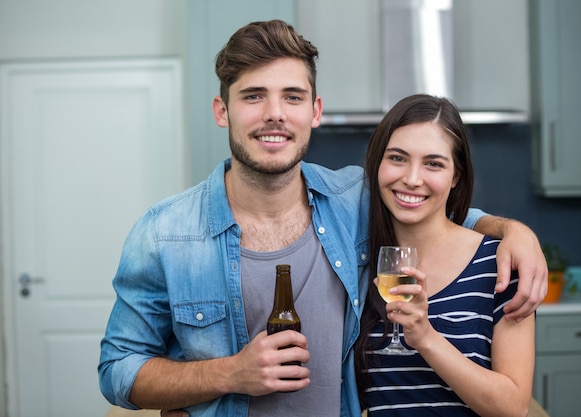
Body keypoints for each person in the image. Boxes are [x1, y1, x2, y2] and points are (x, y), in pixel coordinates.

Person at [98, 20, 545, 417]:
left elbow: (438, 215)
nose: (275, 113)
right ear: (222, 110)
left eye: (292, 96)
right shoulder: (164, 234)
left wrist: (515, 232)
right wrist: (230, 374)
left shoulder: (354, 200)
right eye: (254, 96)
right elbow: (118, 371)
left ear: (315, 111)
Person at [355, 94, 535, 417]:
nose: (412, 178)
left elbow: (513, 407)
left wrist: (425, 338)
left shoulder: (501, 265)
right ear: (377, 164)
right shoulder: (358, 263)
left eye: (433, 164)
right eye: (397, 158)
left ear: (455, 177)